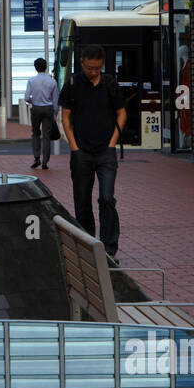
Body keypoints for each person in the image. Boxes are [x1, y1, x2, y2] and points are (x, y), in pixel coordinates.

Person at [59, 44, 127, 259]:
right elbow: (65, 117)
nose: (93, 72)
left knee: (107, 198)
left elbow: (122, 113)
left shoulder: (110, 84)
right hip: (81, 153)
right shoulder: (72, 83)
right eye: (90, 68)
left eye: (97, 68)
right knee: (82, 201)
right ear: (82, 63)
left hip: (106, 152)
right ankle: (88, 247)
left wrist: (112, 143)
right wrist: (74, 148)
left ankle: (108, 249)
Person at [25, 57, 59, 170]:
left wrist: (33, 101)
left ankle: (36, 158)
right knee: (46, 136)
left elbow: (26, 97)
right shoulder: (52, 81)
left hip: (36, 108)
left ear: (35, 68)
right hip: (48, 109)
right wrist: (55, 114)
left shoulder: (31, 81)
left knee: (35, 133)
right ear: (46, 67)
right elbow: (55, 100)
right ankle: (45, 161)